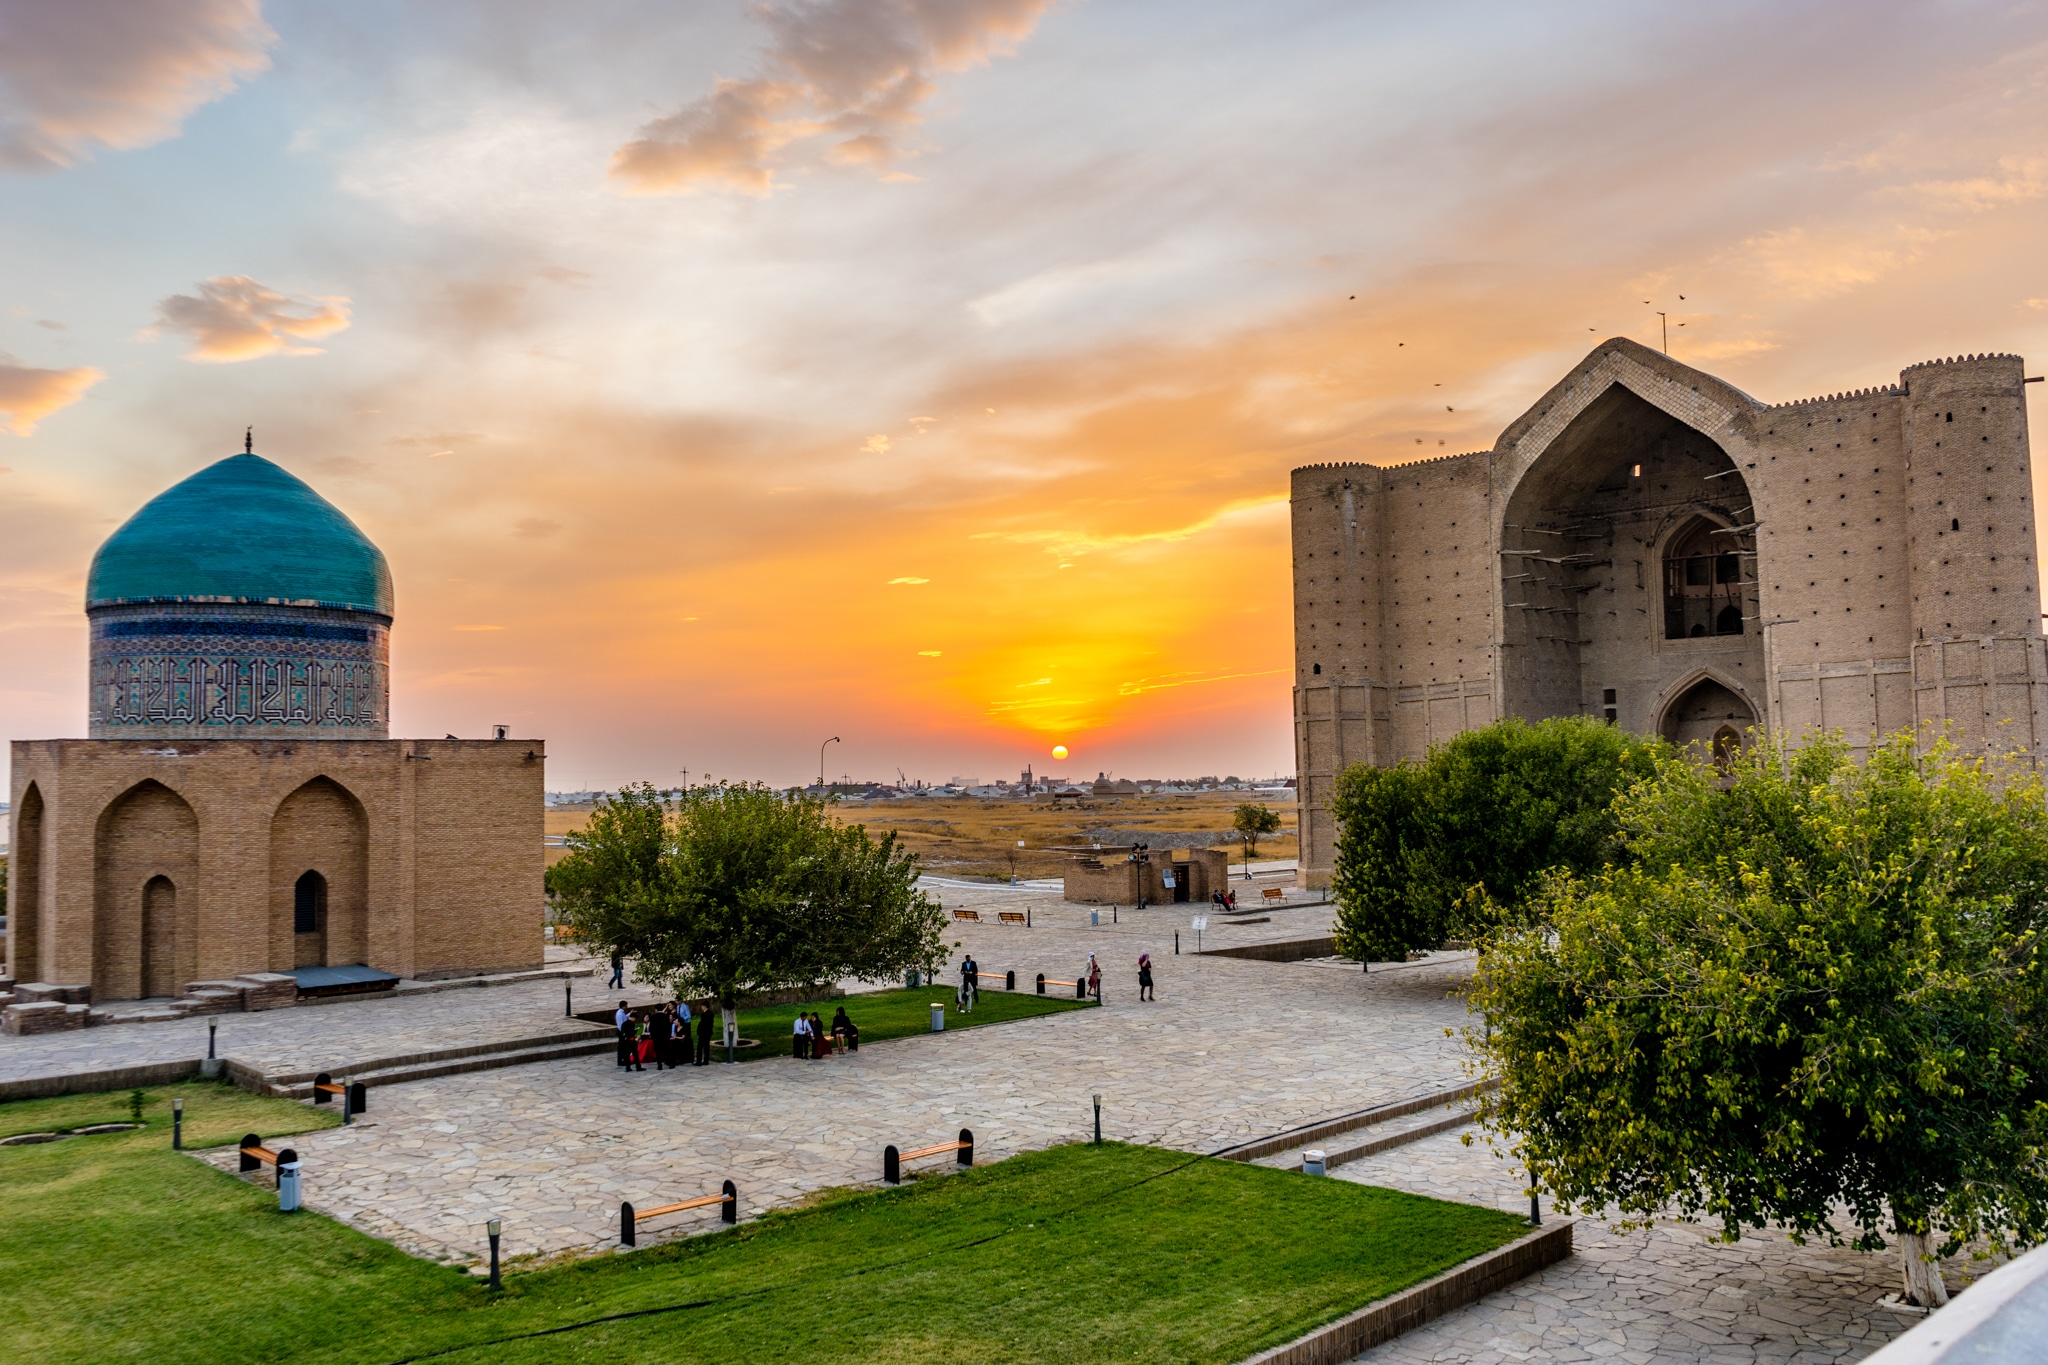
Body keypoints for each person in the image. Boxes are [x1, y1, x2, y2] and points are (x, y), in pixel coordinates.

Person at [615, 1000, 633, 1068]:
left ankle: (624, 1059)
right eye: (626, 1006)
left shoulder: (621, 1013)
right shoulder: (620, 1014)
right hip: (621, 1032)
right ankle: (622, 1060)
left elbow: (624, 1017)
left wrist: (629, 1014)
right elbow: (621, 1025)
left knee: (623, 1047)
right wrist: (624, 1033)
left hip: (622, 1031)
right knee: (622, 1047)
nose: (627, 1007)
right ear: (623, 1006)